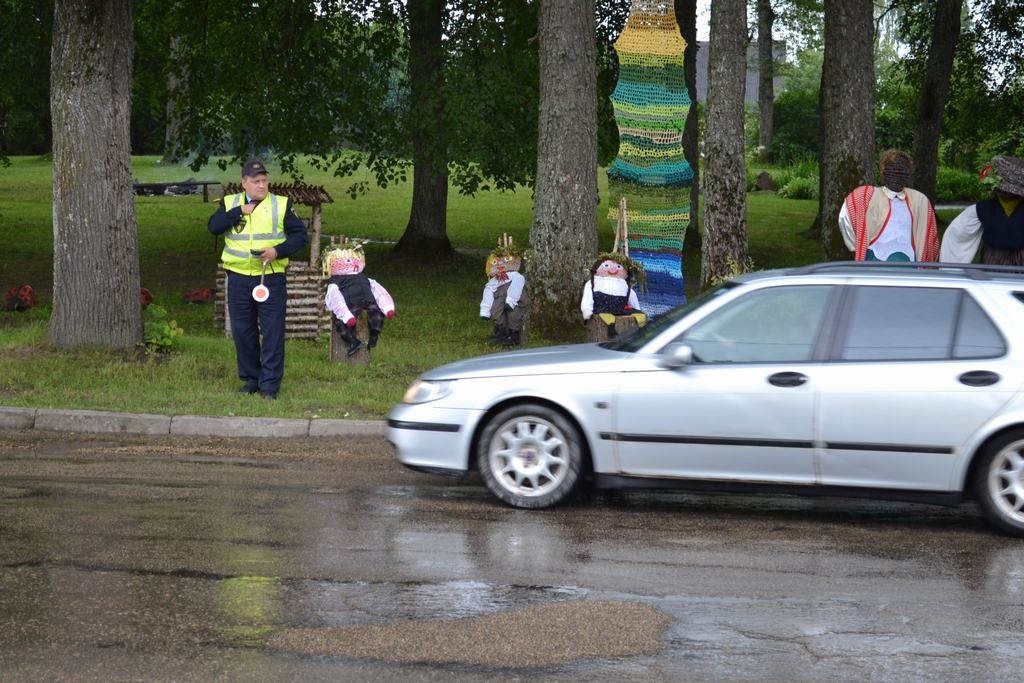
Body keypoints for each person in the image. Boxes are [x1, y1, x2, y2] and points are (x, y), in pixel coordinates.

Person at [208, 159, 308, 399]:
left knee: (273, 332)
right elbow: (213, 227)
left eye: (264, 181)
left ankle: (270, 386)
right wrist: (237, 212)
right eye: (256, 181)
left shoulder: (281, 205)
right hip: (239, 279)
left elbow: (300, 237)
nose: (262, 186)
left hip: (270, 278)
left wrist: (277, 251)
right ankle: (252, 379)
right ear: (244, 183)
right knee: (243, 332)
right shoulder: (230, 202)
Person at [839, 149, 939, 262]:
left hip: (908, 260)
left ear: (908, 174)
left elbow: (929, 236)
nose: (897, 175)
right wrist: (856, 245)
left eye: (902, 172)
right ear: (883, 172)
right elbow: (846, 217)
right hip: (875, 258)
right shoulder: (867, 196)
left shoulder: (919, 201)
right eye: (892, 171)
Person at [940, 155, 1024, 265]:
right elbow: (956, 232)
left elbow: (956, 232)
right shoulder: (981, 209)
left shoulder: (981, 209)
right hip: (993, 262)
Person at [322, 244, 395, 356]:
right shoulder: (337, 281)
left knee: (375, 314)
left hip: (361, 302)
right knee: (344, 321)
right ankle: (357, 339)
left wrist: (387, 307)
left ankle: (369, 336)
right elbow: (335, 298)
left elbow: (378, 291)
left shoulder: (362, 277)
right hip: (356, 303)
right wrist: (345, 314)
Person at [480, 241, 528, 346]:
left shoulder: (515, 275)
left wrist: (511, 300)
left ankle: (513, 335)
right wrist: (485, 310)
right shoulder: (494, 281)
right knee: (496, 312)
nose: (501, 265)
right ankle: (501, 333)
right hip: (500, 300)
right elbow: (488, 290)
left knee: (514, 314)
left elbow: (517, 285)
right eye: (496, 262)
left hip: (515, 301)